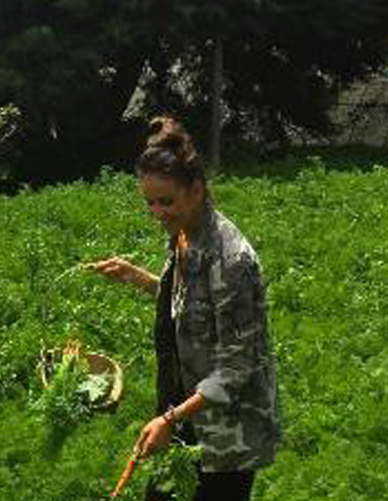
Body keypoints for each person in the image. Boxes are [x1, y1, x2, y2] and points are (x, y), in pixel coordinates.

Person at [89, 117, 280, 501]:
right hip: (184, 413)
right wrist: (139, 278)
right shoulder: (185, 234)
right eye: (150, 202)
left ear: (196, 190)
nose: (157, 212)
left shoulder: (231, 260)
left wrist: (169, 419)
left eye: (166, 201)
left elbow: (237, 367)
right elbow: (194, 304)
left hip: (227, 434)